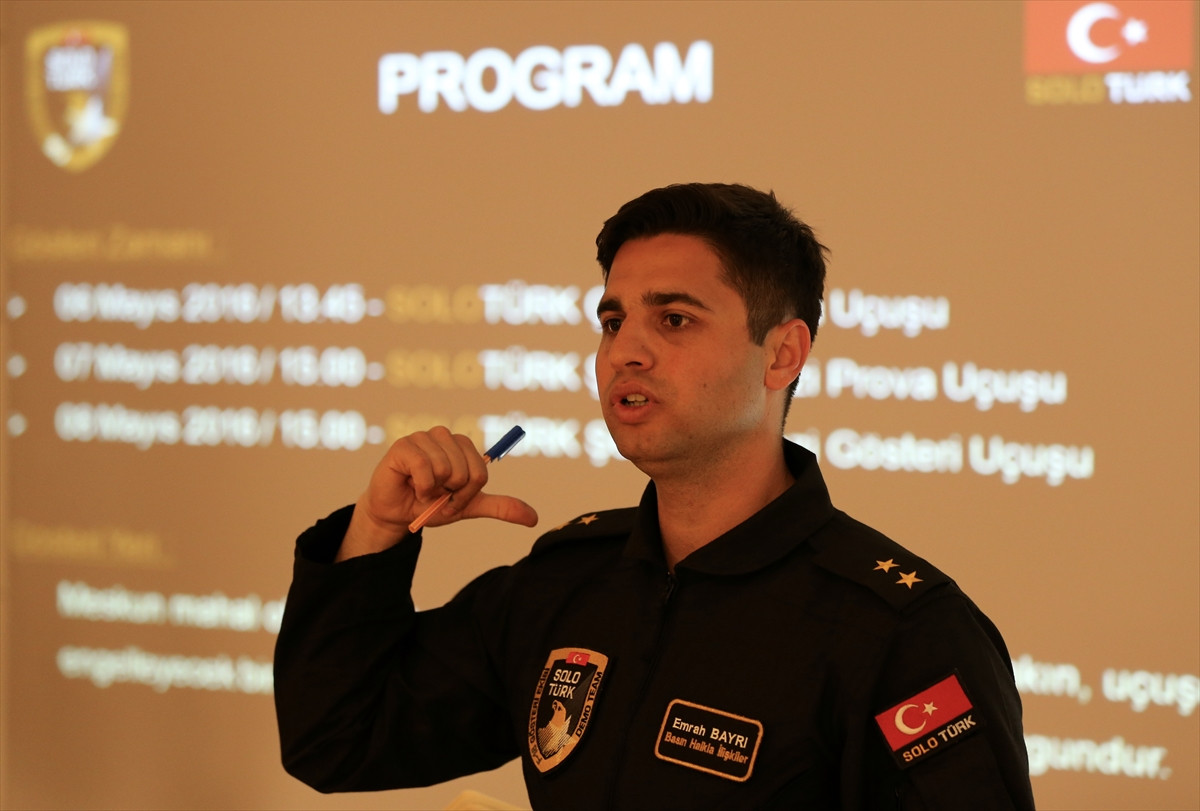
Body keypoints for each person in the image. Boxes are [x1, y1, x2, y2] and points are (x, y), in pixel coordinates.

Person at [274, 183, 1036, 809]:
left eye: (673, 319)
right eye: (613, 321)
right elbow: (338, 737)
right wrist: (376, 529)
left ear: (782, 353)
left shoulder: (902, 632)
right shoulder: (565, 582)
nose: (625, 351)